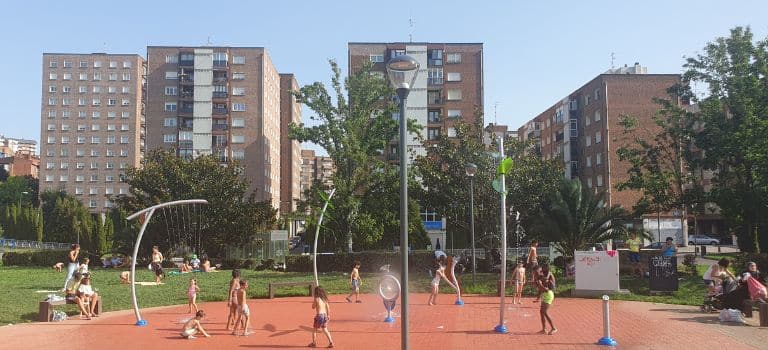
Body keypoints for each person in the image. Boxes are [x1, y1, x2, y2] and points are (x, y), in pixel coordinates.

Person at [536, 268, 558, 335]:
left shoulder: (545, 280)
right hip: (544, 295)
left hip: (548, 295)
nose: (538, 273)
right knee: (541, 312)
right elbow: (540, 290)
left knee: (545, 312)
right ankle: (544, 329)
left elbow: (546, 290)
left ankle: (554, 328)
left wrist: (540, 284)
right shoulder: (539, 279)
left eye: (540, 272)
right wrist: (538, 298)